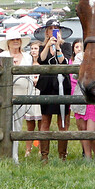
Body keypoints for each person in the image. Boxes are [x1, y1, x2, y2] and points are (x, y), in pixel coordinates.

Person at [33, 19, 73, 162]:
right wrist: (48, 46)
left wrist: (58, 47)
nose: (53, 31)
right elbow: (41, 60)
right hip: (47, 85)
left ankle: (63, 155)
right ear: (47, 31)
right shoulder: (42, 46)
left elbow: (64, 62)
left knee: (63, 121)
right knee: (45, 120)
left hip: (63, 85)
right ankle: (44, 155)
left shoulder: (67, 46)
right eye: (51, 28)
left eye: (56, 28)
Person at [0, 30, 32, 163]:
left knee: (17, 125)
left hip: (22, 92)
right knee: (5, 124)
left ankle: (15, 156)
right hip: (5, 94)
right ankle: (4, 154)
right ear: (8, 42)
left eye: (18, 39)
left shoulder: (27, 57)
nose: (16, 41)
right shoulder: (1, 56)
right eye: (13, 39)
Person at [69, 38, 95, 161]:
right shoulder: (79, 56)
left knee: (91, 131)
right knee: (83, 129)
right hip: (80, 95)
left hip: (94, 96)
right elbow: (74, 74)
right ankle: (87, 157)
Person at [23, 41, 43, 157]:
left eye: (36, 48)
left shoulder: (42, 63)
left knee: (41, 123)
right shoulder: (27, 62)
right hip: (30, 92)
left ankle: (41, 149)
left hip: (40, 93)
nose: (34, 50)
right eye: (32, 48)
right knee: (30, 125)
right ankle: (28, 149)